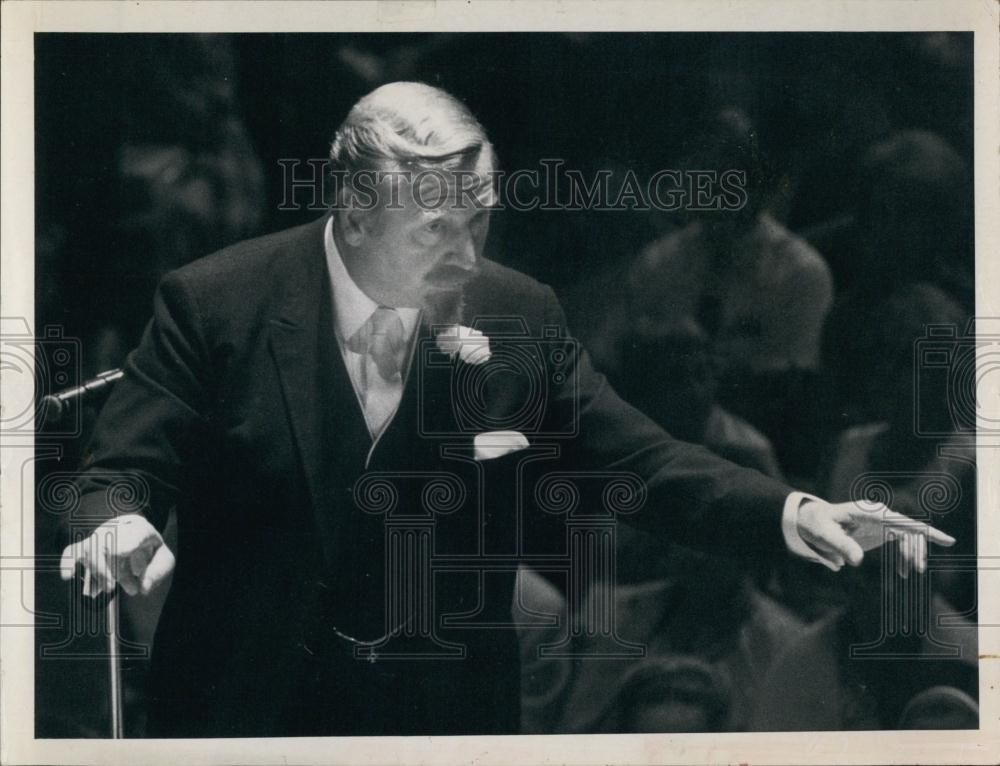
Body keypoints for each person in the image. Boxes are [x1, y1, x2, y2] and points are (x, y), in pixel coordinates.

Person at [60, 82, 954, 737]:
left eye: (478, 221)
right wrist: (117, 524)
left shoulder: (516, 312)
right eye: (434, 232)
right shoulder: (216, 303)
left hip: (444, 716)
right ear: (356, 213)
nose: (465, 259)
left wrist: (794, 511)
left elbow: (638, 460)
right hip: (248, 713)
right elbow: (118, 470)